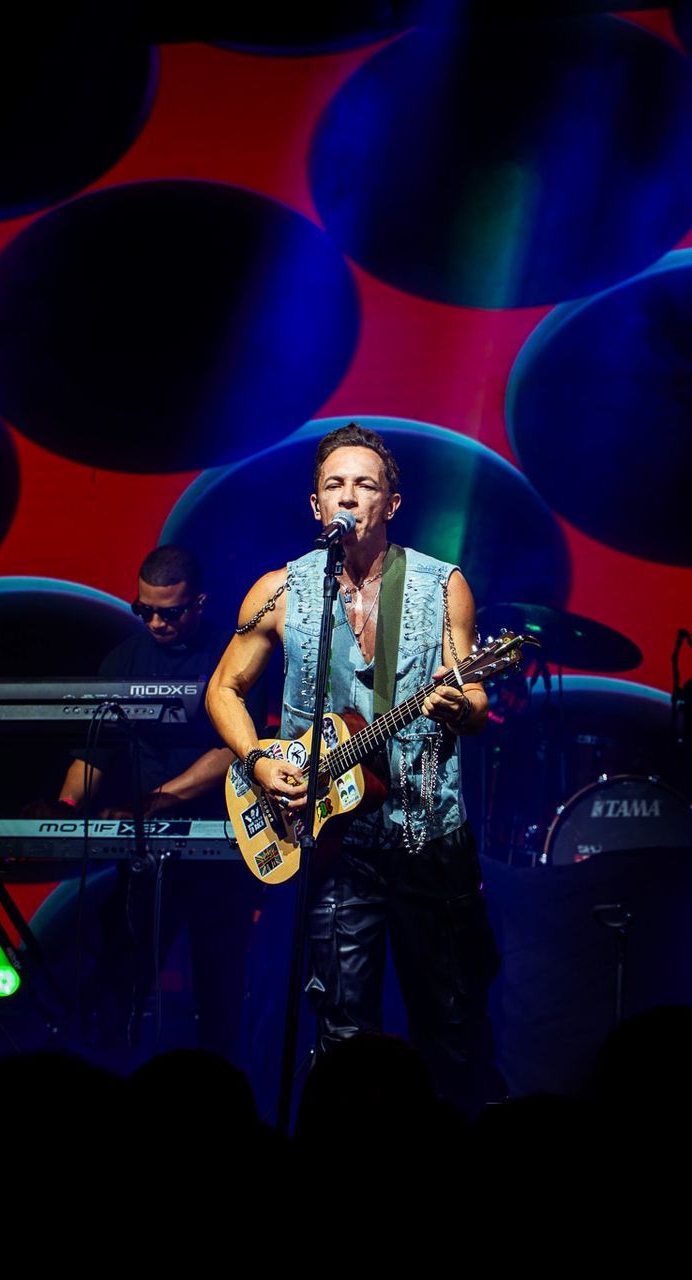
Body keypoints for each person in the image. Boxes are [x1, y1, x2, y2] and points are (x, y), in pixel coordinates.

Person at [206, 423, 504, 1110]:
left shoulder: (441, 586)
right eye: (335, 484)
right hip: (332, 842)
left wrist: (462, 704)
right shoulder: (281, 591)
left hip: (426, 833)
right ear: (315, 506)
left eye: (365, 485)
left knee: (452, 1022)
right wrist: (256, 761)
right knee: (341, 1028)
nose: (350, 496)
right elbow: (223, 689)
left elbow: (478, 697)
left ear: (391, 503)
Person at [47, 545, 263, 1064]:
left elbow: (232, 749)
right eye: (144, 610)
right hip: (145, 849)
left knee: (219, 986)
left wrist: (160, 799)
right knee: (120, 978)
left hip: (222, 842)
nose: (156, 622)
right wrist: (63, 808)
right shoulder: (121, 661)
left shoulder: (232, 654)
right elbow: (93, 755)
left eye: (169, 612)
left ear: (199, 604)